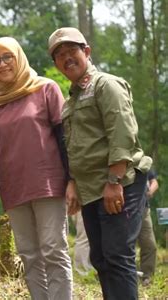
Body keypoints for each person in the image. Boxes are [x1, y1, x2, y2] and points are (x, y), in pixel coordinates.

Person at [48, 27, 152, 300]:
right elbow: (74, 147)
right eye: (59, 55)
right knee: (102, 259)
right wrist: (72, 182)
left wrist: (115, 181)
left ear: (87, 51)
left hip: (119, 183)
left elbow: (122, 134)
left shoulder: (106, 84)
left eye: (72, 51)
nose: (66, 58)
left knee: (118, 258)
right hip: (91, 189)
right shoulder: (71, 100)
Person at [0, 37, 73, 300]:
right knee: (30, 255)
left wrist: (72, 181)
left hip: (49, 185)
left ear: (19, 57)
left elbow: (64, 139)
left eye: (7, 56)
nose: (2, 64)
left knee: (53, 249)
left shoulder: (46, 89)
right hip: (14, 190)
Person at [137, 169, 158, 286]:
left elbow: (154, 181)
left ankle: (147, 276)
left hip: (144, 208)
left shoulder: (144, 162)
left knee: (150, 244)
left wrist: (149, 191)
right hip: (125, 208)